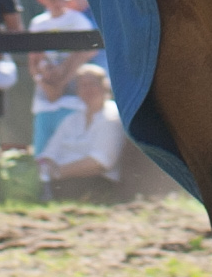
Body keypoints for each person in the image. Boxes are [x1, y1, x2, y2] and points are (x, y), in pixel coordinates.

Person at [39, 63, 138, 201]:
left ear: (104, 86)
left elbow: (100, 164)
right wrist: (46, 170)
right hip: (61, 182)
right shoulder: (71, 120)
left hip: (97, 183)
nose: (87, 89)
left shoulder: (113, 117)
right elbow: (48, 155)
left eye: (92, 84)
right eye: (82, 85)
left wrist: (57, 173)